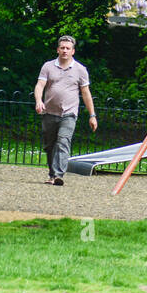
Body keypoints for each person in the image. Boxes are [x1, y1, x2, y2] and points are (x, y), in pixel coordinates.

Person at [34, 35, 97, 187]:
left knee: (63, 141)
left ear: (73, 51)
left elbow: (86, 93)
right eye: (62, 48)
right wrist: (38, 101)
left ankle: (58, 175)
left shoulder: (81, 70)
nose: (65, 51)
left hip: (69, 113)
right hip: (49, 112)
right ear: (57, 49)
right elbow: (40, 85)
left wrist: (92, 115)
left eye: (68, 48)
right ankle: (52, 174)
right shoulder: (48, 66)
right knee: (50, 146)